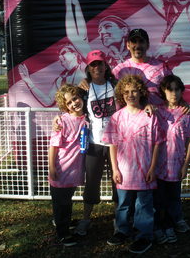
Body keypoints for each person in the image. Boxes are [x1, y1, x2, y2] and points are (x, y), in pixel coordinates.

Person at [102, 75, 162, 254]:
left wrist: (152, 168)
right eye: (126, 92)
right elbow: (112, 144)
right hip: (124, 171)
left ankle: (144, 235)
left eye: (134, 91)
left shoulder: (149, 116)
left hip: (144, 169)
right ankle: (122, 230)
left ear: (141, 92)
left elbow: (158, 143)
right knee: (123, 204)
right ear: (121, 94)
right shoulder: (116, 117)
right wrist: (115, 169)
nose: (130, 95)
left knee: (143, 204)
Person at [73, 49, 118, 236]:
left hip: (115, 143)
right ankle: (86, 219)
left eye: (100, 63)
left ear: (106, 66)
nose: (97, 67)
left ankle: (119, 219)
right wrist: (58, 120)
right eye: (93, 64)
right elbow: (70, 108)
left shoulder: (116, 85)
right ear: (88, 69)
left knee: (118, 180)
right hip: (94, 143)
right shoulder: (83, 89)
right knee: (91, 182)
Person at [153, 74, 190, 245]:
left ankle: (171, 224)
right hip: (157, 164)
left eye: (177, 89)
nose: (174, 93)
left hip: (176, 164)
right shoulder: (156, 111)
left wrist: (186, 164)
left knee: (173, 196)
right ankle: (157, 227)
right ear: (163, 91)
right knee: (158, 198)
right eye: (170, 89)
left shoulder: (186, 113)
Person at [48, 84, 88, 247]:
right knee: (61, 202)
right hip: (62, 169)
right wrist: (52, 168)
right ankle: (63, 233)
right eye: (69, 103)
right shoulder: (62, 121)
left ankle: (62, 220)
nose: (74, 104)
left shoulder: (87, 118)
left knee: (67, 199)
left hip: (75, 169)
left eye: (75, 99)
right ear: (65, 106)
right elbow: (53, 146)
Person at [63, 0, 130, 69]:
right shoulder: (103, 62)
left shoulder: (137, 56)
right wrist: (70, 4)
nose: (102, 32)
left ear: (124, 31)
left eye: (108, 26)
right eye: (100, 30)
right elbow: (76, 37)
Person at [18, 43, 87, 107]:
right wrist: (29, 83)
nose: (61, 57)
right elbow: (48, 101)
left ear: (74, 54)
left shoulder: (88, 70)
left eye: (64, 53)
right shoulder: (60, 80)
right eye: (59, 56)